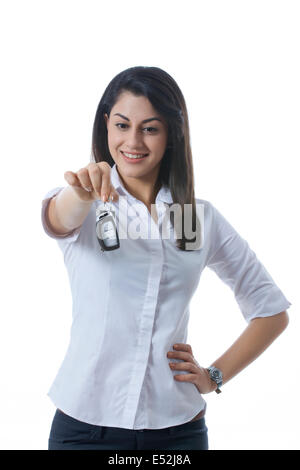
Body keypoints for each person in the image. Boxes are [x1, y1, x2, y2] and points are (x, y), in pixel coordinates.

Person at [41, 66, 292, 450]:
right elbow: (60, 218)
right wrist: (81, 190)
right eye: (123, 125)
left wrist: (214, 377)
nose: (134, 141)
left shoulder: (196, 217)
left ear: (171, 134)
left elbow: (271, 312)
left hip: (178, 434)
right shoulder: (85, 201)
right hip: (85, 431)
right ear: (106, 125)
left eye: (150, 128)